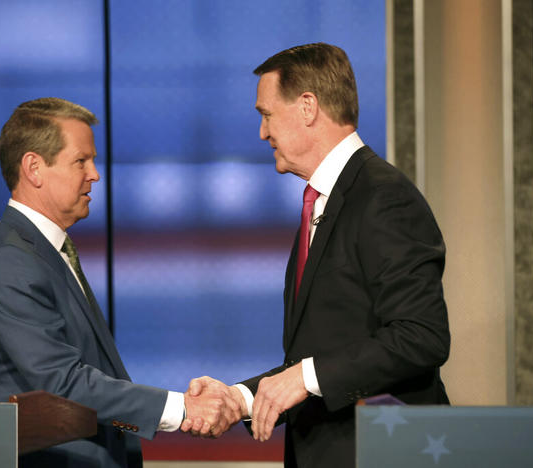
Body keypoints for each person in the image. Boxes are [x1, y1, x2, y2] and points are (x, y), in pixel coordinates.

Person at [185, 43, 450, 467]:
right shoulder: (323, 201)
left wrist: (305, 379)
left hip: (382, 453)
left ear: (308, 106)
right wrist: (241, 398)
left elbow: (421, 336)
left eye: (266, 114)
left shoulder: (384, 198)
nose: (262, 132)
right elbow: (321, 352)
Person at [0, 97, 241, 468]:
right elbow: (64, 384)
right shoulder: (8, 262)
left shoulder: (43, 251)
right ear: (34, 168)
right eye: (80, 161)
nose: (95, 174)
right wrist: (182, 408)